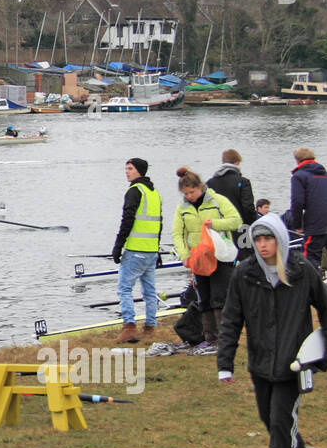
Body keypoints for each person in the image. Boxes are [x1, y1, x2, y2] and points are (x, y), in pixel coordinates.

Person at [217, 214, 327, 448]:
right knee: (269, 420)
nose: (262, 245)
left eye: (268, 238)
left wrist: (323, 356)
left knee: (281, 422)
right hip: (260, 363)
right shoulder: (244, 274)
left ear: (280, 240)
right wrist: (225, 363)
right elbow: (231, 320)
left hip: (293, 364)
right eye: (258, 239)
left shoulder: (302, 271)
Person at [171, 166, 242, 354]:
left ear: (200, 187)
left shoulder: (218, 201)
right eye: (186, 194)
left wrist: (215, 223)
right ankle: (209, 339)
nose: (190, 196)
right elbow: (177, 233)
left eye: (192, 192)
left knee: (220, 297)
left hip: (220, 257)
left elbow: (235, 220)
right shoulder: (183, 208)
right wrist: (184, 255)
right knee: (204, 298)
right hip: (198, 259)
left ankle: (224, 339)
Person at [110, 157, 163, 344]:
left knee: (124, 289)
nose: (127, 171)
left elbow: (127, 220)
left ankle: (129, 326)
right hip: (151, 251)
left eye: (130, 168)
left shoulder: (134, 191)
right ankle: (150, 326)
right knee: (149, 291)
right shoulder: (154, 192)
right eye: (126, 168)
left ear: (139, 171)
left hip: (135, 250)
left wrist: (118, 246)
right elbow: (159, 223)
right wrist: (158, 249)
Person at [288, 147, 327, 285]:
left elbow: (297, 202)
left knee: (310, 255)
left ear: (297, 160)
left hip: (316, 222)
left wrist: (297, 224)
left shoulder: (299, 177)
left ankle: (311, 286)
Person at [206, 149, 258, 258]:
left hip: (219, 230)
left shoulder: (210, 183)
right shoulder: (243, 182)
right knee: (246, 261)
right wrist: (254, 225)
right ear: (237, 163)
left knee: (222, 259)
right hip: (241, 229)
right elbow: (248, 208)